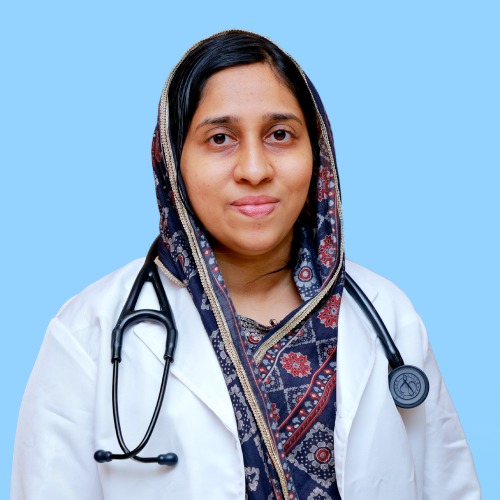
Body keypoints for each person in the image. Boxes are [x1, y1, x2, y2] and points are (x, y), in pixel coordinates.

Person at [11, 30, 480, 499]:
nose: (254, 170)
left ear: (317, 151)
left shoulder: (388, 313)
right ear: (173, 159)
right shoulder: (89, 331)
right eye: (220, 138)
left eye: (280, 135)